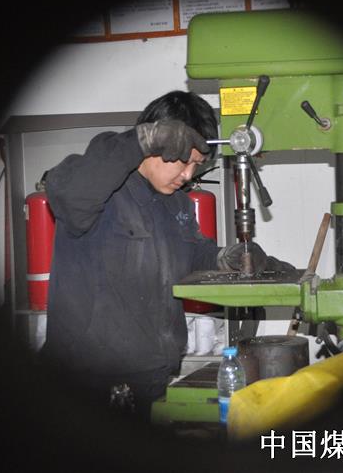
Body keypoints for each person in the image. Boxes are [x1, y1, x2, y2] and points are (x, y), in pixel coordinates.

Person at [40, 90, 293, 419]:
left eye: (197, 164)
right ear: (157, 142)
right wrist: (140, 139)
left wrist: (226, 257)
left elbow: (192, 255)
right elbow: (66, 190)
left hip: (151, 380)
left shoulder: (177, 203)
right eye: (184, 160)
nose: (188, 175)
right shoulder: (101, 192)